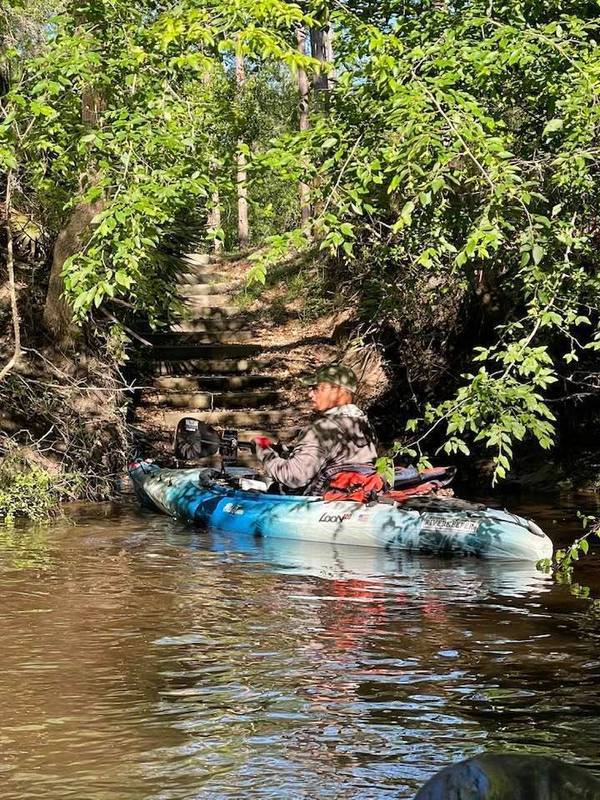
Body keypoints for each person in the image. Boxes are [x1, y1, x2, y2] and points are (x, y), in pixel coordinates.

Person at [253, 364, 378, 495]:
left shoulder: (321, 429)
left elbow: (294, 477)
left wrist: (263, 450)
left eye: (317, 388)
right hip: (355, 499)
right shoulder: (365, 424)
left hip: (318, 506)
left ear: (339, 391)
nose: (310, 394)